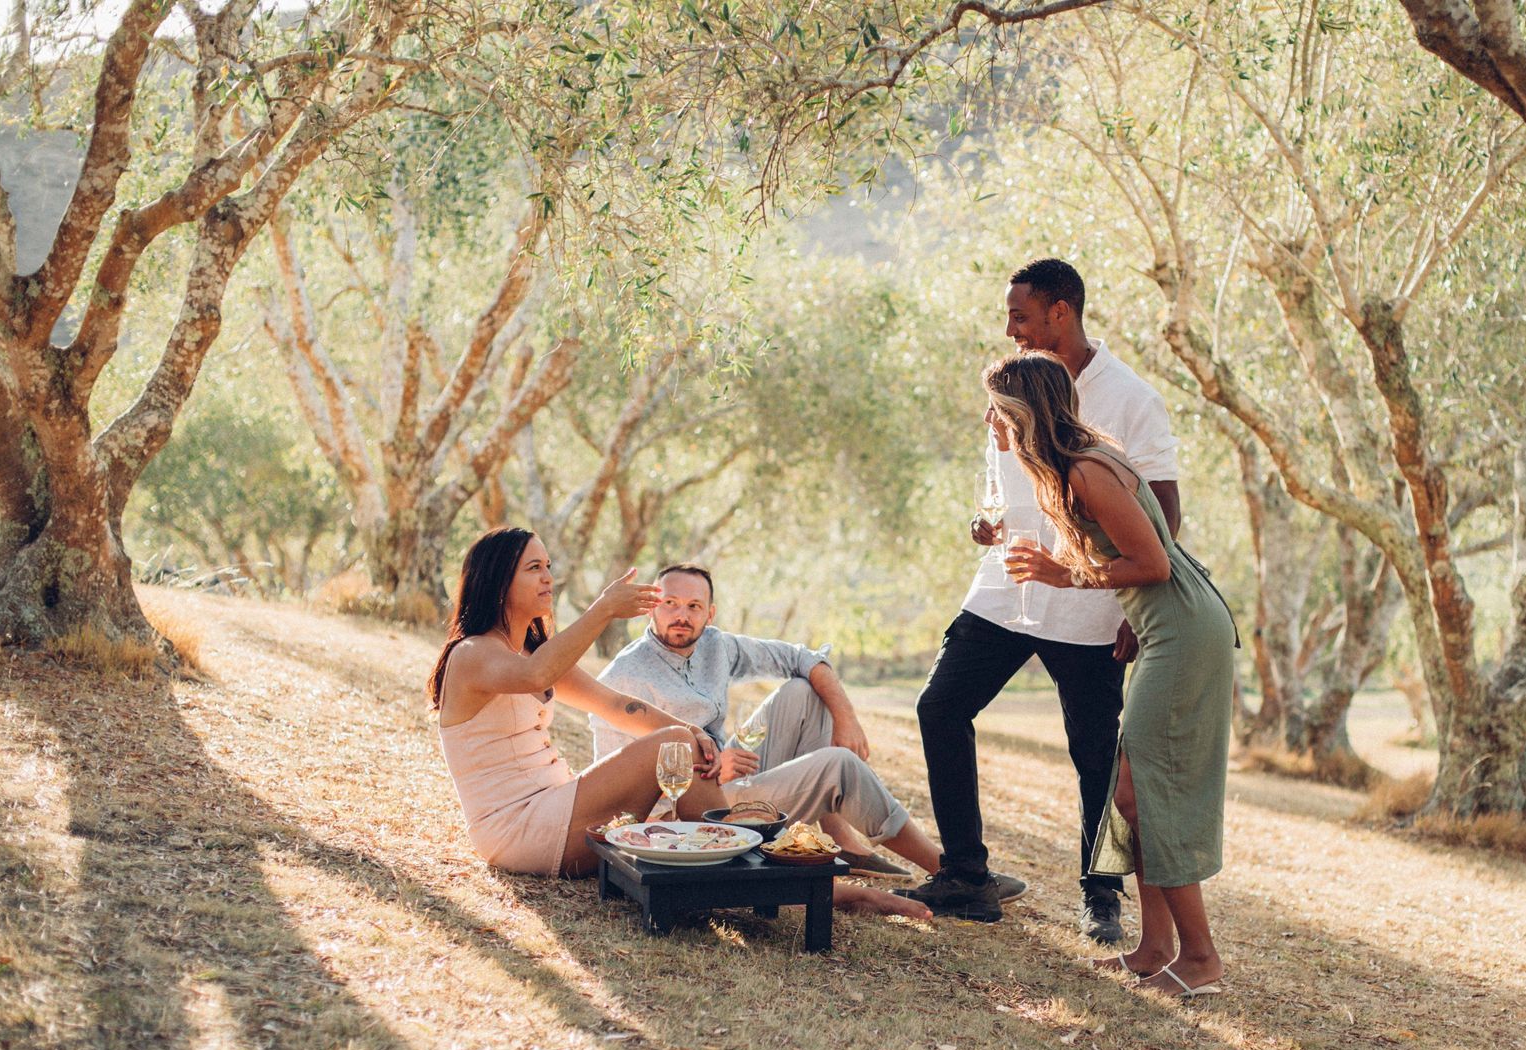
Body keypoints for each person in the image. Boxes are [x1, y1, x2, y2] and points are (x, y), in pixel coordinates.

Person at [430, 528, 929, 920]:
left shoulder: (529, 650)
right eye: (534, 568)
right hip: (517, 829)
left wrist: (693, 737)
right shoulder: (474, 655)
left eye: (549, 566)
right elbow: (538, 675)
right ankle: (819, 887)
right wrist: (605, 609)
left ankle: (791, 876)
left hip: (557, 812)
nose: (548, 578)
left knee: (676, 756)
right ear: (498, 579)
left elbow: (619, 706)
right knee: (671, 752)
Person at [909, 258, 1180, 933]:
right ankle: (967, 875)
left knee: (1095, 753)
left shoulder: (1131, 397)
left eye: (1020, 316)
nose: (1009, 329)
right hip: (1005, 590)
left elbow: (1163, 509)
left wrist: (1133, 609)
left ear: (1061, 311)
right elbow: (1003, 487)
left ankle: (1100, 896)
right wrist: (988, 519)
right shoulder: (1008, 391)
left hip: (1089, 604)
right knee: (940, 708)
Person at [994, 351, 1234, 997]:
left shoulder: (1088, 470)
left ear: (1024, 414)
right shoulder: (1077, 466)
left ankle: (1202, 959)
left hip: (1183, 634)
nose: (991, 422)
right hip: (1167, 631)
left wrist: (1060, 573)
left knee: (1151, 793)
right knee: (1130, 795)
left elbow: (1153, 564)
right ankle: (1155, 948)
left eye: (999, 410)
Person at [591, 563, 1026, 902]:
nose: (681, 616)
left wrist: (846, 717)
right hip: (687, 812)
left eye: (693, 606)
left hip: (731, 772)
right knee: (838, 765)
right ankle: (957, 873)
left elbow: (804, 658)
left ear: (710, 612)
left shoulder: (716, 645)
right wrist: (705, 774)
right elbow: (624, 799)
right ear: (651, 605)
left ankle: (840, 840)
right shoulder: (625, 676)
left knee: (804, 691)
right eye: (670, 604)